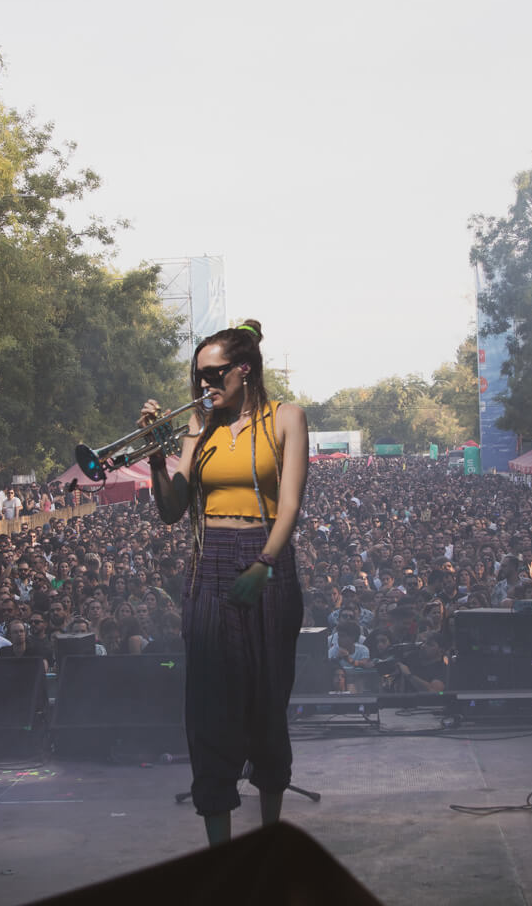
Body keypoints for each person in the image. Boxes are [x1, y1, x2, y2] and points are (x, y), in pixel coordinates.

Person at [142, 319, 309, 847]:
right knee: (209, 707)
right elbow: (172, 509)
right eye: (199, 375)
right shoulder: (199, 427)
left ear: (245, 369)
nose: (204, 383)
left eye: (214, 373)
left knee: (267, 701)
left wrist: (265, 563)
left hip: (267, 556)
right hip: (209, 559)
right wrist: (155, 456)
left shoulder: (286, 417)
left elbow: (290, 503)